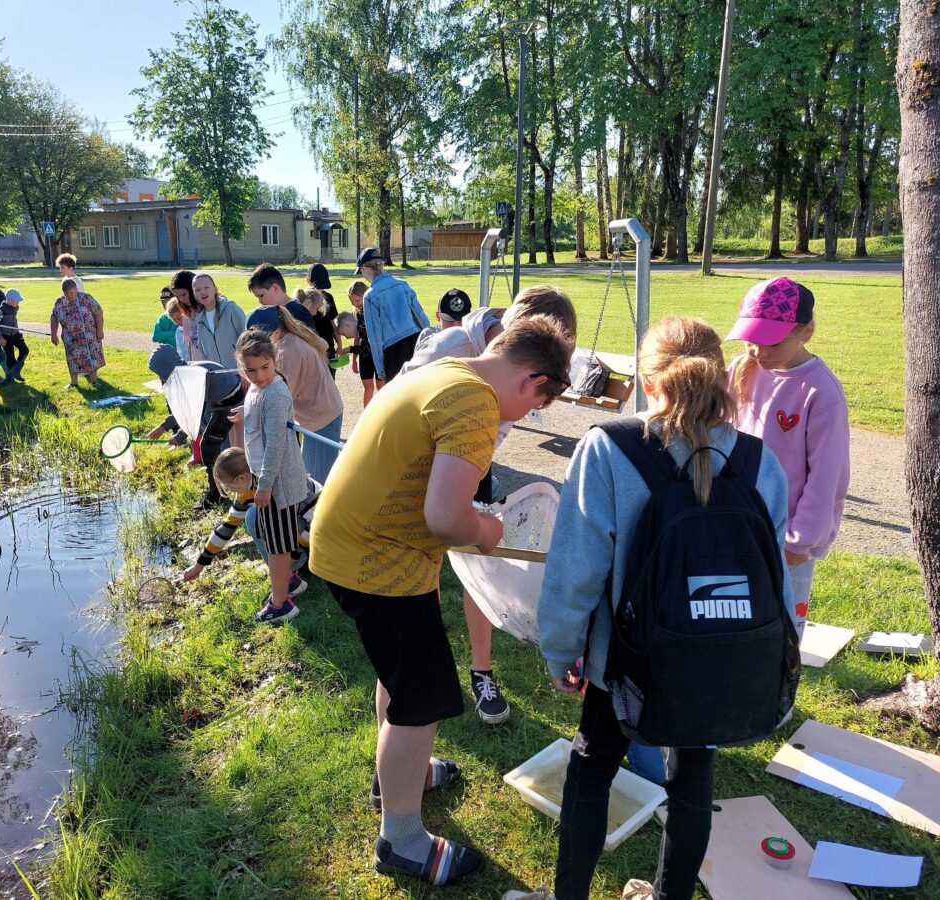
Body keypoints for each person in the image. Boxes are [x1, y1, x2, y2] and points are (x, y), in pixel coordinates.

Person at [523, 316, 792, 900]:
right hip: (720, 660)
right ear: (722, 378)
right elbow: (777, 576)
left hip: (622, 664)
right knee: (693, 780)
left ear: (648, 383)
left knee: (591, 771)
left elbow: (577, 569)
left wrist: (560, 648)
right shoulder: (757, 461)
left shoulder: (610, 449)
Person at [311, 316, 573, 886]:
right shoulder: (476, 404)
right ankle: (400, 840)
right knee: (423, 700)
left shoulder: (448, 368)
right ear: (533, 380)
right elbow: (446, 517)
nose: (527, 417)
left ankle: (398, 775)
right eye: (538, 405)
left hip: (350, 543)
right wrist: (485, 530)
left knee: (401, 677)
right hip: (375, 561)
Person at [398, 285, 578, 727]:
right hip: (421, 471)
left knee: (476, 557)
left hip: (469, 460)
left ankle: (481, 671)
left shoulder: (515, 369)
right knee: (433, 555)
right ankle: (429, 658)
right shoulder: (455, 349)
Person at [727, 276, 849, 639]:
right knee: (736, 616)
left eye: (773, 341)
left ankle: (779, 689)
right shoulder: (741, 369)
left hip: (786, 537)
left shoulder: (821, 392)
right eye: (752, 339)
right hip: (738, 521)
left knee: (780, 628)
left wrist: (800, 541)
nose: (760, 351)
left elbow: (828, 475)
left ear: (807, 331)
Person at [235, 328, 312, 625]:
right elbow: (260, 411)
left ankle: (281, 605)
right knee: (273, 538)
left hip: (278, 484)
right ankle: (290, 582)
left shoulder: (276, 393)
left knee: (277, 548)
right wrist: (245, 413)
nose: (259, 375)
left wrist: (265, 486)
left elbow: (277, 444)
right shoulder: (258, 389)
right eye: (250, 370)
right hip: (266, 479)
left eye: (265, 368)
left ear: (275, 360)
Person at [182, 447, 319, 605]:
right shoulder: (247, 491)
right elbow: (226, 528)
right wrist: (199, 566)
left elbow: (317, 523)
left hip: (318, 533)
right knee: (253, 516)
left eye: (228, 486)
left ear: (241, 478)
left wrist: (293, 558)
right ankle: (287, 576)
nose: (229, 491)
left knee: (259, 516)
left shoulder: (282, 483)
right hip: (298, 537)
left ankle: (296, 569)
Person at [245, 305, 344, 483]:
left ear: (271, 332)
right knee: (311, 474)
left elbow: (282, 396)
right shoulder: (291, 336)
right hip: (319, 414)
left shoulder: (287, 350)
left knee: (314, 483)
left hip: (320, 419)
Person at [146, 343, 245, 499]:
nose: (160, 378)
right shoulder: (183, 372)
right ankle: (221, 483)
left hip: (230, 402)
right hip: (217, 402)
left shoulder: (192, 377)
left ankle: (216, 493)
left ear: (169, 368)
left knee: (209, 447)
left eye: (161, 373)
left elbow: (193, 413)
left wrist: (172, 432)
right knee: (212, 444)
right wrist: (172, 431)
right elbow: (184, 410)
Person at [355, 246, 429, 382]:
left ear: (365, 269)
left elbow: (374, 337)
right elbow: (421, 318)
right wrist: (429, 341)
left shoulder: (370, 296)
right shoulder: (402, 284)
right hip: (415, 341)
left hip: (394, 351)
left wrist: (381, 370)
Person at [50, 277, 105, 389]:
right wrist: (53, 334)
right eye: (66, 293)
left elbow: (98, 312)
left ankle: (94, 381)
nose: (69, 295)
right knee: (72, 359)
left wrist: (100, 330)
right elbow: (54, 318)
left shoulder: (86, 298)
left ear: (76, 290)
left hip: (89, 336)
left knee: (92, 357)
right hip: (70, 339)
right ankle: (73, 383)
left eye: (71, 292)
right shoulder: (60, 303)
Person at [192, 272, 248, 366]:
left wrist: (246, 368)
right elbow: (203, 352)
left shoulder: (231, 309)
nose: (202, 292)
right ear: (194, 295)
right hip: (217, 375)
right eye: (197, 290)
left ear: (215, 289)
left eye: (206, 287)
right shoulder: (200, 320)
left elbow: (247, 338)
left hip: (239, 372)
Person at [246, 262, 318, 332]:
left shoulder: (298, 312)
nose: (260, 301)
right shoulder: (268, 314)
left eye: (261, 296)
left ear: (275, 288)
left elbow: (311, 341)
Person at [346, 280, 382, 407]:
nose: (355, 304)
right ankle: (367, 416)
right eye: (352, 302)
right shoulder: (356, 314)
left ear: (365, 295)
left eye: (357, 301)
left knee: (381, 388)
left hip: (379, 355)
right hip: (364, 356)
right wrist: (354, 360)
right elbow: (356, 337)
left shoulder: (376, 310)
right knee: (368, 388)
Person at [307, 262, 340, 362]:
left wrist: (340, 344)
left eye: (323, 287)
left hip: (329, 346)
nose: (320, 290)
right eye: (318, 287)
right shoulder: (304, 300)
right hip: (312, 349)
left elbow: (333, 323)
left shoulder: (328, 297)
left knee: (330, 376)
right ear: (308, 280)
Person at [0, 288, 30, 383]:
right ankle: (9, 377)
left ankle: (15, 370)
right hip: (6, 336)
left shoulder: (16, 307)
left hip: (16, 334)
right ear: (10, 300)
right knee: (10, 357)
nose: (18, 303)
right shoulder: (1, 310)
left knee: (25, 350)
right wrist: (0, 337)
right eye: (17, 300)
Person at [170, 270, 202, 360]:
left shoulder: (213, 309)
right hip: (197, 368)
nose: (182, 299)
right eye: (178, 296)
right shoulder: (187, 315)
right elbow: (190, 346)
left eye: (183, 294)